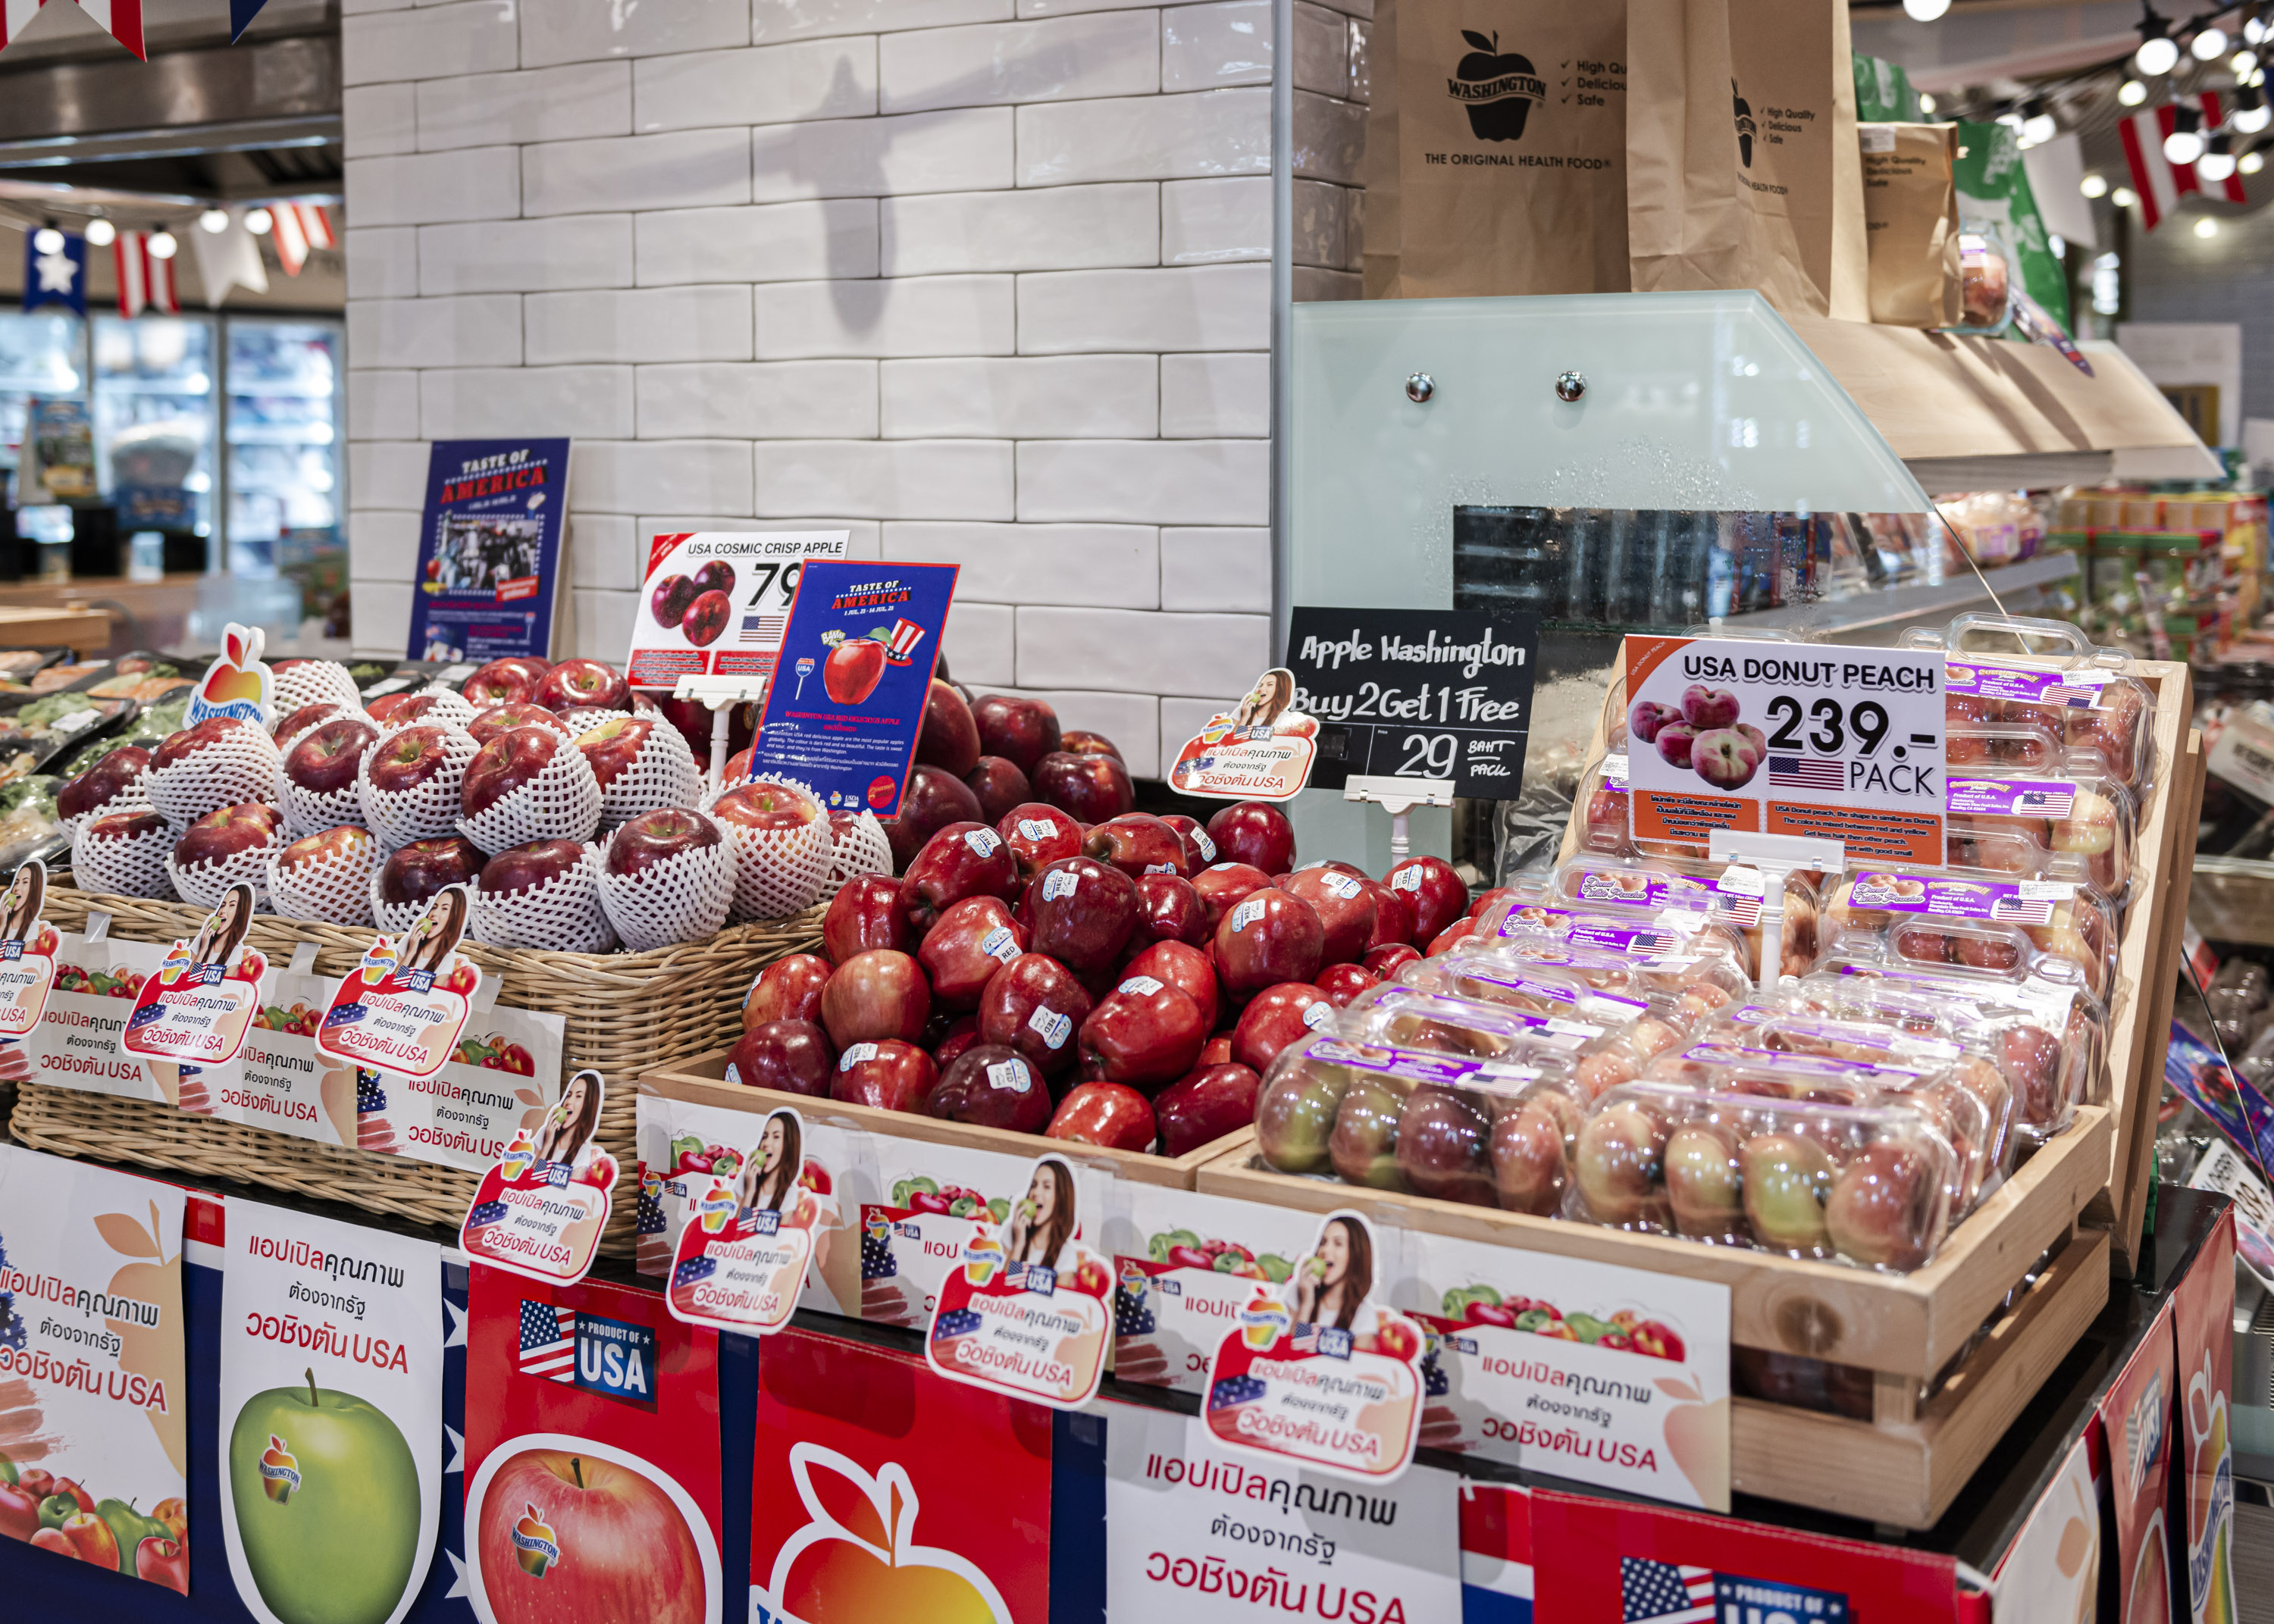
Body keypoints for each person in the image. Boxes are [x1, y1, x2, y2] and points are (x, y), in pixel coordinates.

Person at [1292, 1216, 1377, 1337]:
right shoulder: (1296, 1293)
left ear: (1355, 1254)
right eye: (1323, 1242)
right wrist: (1306, 1305)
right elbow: (1289, 1346)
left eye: (1338, 1243)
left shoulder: (1363, 1315)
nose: (1325, 1250)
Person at [1003, 1158, 1079, 1272]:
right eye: (1033, 1185)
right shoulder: (1012, 1232)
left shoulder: (1066, 1255)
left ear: (1061, 1197)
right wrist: (1019, 1244)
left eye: (1047, 1186)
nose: (1036, 1193)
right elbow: (1003, 1282)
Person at [738, 1110, 803, 1216]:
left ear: (788, 1145)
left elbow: (783, 1226)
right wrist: (750, 1192)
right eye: (764, 1136)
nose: (766, 1143)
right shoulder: (744, 1180)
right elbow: (736, 1225)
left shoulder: (789, 1195)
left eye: (776, 1137)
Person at [532, 1070, 603, 1166]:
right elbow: (533, 1173)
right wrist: (547, 1145)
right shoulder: (545, 1134)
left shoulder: (583, 1151)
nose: (569, 1101)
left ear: (588, 1105)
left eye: (578, 1096)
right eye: (568, 1095)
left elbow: (576, 1177)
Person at [397, 887, 468, 976]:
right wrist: (410, 953)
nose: (434, 913)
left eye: (444, 908)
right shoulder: (408, 942)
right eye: (434, 907)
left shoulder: (447, 960)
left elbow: (437, 986)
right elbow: (390, 981)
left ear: (455, 917)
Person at [186, 884, 254, 972]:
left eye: (232, 905)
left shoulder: (236, 951)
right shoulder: (201, 940)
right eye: (223, 905)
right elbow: (187, 977)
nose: (223, 911)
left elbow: (227, 980)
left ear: (240, 913)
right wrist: (203, 950)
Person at [1230, 669, 1294, 740]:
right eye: (1260, 685)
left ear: (1280, 689)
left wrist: (1244, 732)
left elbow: (1275, 741)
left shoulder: (1284, 717)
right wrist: (1245, 717)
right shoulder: (1241, 711)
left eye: (1270, 685)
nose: (1261, 689)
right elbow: (1230, 740)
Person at [0, 861, 43, 946]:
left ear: (34, 888)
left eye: (25, 882)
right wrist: (2, 925)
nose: (17, 888)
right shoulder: (3, 922)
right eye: (16, 883)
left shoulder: (32, 927)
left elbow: (27, 954)